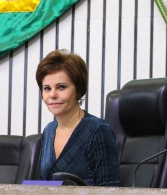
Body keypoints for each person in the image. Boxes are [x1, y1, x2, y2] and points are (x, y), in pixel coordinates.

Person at [36, 49, 119, 186]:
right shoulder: (49, 131)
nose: (52, 95)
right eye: (47, 88)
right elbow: (43, 186)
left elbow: (109, 189)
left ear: (78, 90)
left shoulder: (98, 130)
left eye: (61, 87)